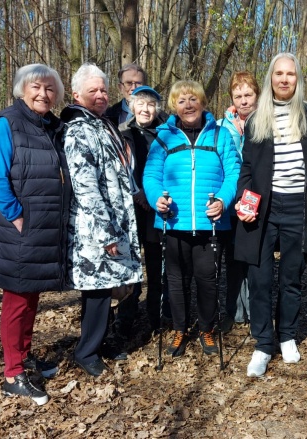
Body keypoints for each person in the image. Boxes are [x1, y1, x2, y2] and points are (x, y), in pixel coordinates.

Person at [0, 63, 70, 405]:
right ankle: (12, 374)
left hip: (43, 227)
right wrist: (17, 217)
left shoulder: (51, 127)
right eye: (36, 87)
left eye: (49, 88)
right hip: (19, 228)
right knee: (16, 301)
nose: (43, 94)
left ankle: (24, 356)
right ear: (22, 89)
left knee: (31, 297)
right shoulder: (7, 124)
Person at [234, 53, 307, 377]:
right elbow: (247, 167)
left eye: (290, 74)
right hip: (264, 209)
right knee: (259, 279)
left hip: (299, 207)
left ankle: (287, 335)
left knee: (291, 278)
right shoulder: (257, 118)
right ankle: (263, 343)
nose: (284, 79)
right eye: (279, 73)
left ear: (298, 78)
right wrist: (243, 200)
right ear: (270, 78)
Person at [143, 80, 240, 357]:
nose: (188, 105)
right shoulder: (164, 138)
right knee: (176, 281)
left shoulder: (220, 135)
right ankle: (180, 330)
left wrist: (222, 200)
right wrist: (156, 198)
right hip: (174, 221)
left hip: (211, 223)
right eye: (182, 100)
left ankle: (206, 329)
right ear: (174, 106)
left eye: (193, 99)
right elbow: (151, 175)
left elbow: (233, 172)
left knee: (208, 280)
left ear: (203, 103)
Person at [60, 63, 143, 377]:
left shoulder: (103, 124)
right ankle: (86, 352)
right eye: (93, 90)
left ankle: (100, 341)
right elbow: (85, 187)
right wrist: (106, 233)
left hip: (116, 220)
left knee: (108, 287)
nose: (100, 95)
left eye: (104, 90)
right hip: (95, 228)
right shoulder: (78, 129)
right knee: (96, 290)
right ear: (76, 94)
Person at [118, 85, 170, 333]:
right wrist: (136, 192)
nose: (145, 109)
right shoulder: (121, 132)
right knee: (130, 266)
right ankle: (126, 318)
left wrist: (153, 196)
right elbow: (117, 170)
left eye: (150, 105)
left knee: (158, 266)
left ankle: (157, 317)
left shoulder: (166, 134)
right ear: (132, 106)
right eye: (141, 104)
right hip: (130, 209)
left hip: (157, 210)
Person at [215, 71, 260, 333]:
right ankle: (232, 311)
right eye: (238, 96)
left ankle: (255, 312)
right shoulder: (222, 126)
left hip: (256, 200)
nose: (243, 101)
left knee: (254, 260)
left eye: (248, 95)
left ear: (257, 95)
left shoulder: (266, 121)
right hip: (230, 203)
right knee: (232, 260)